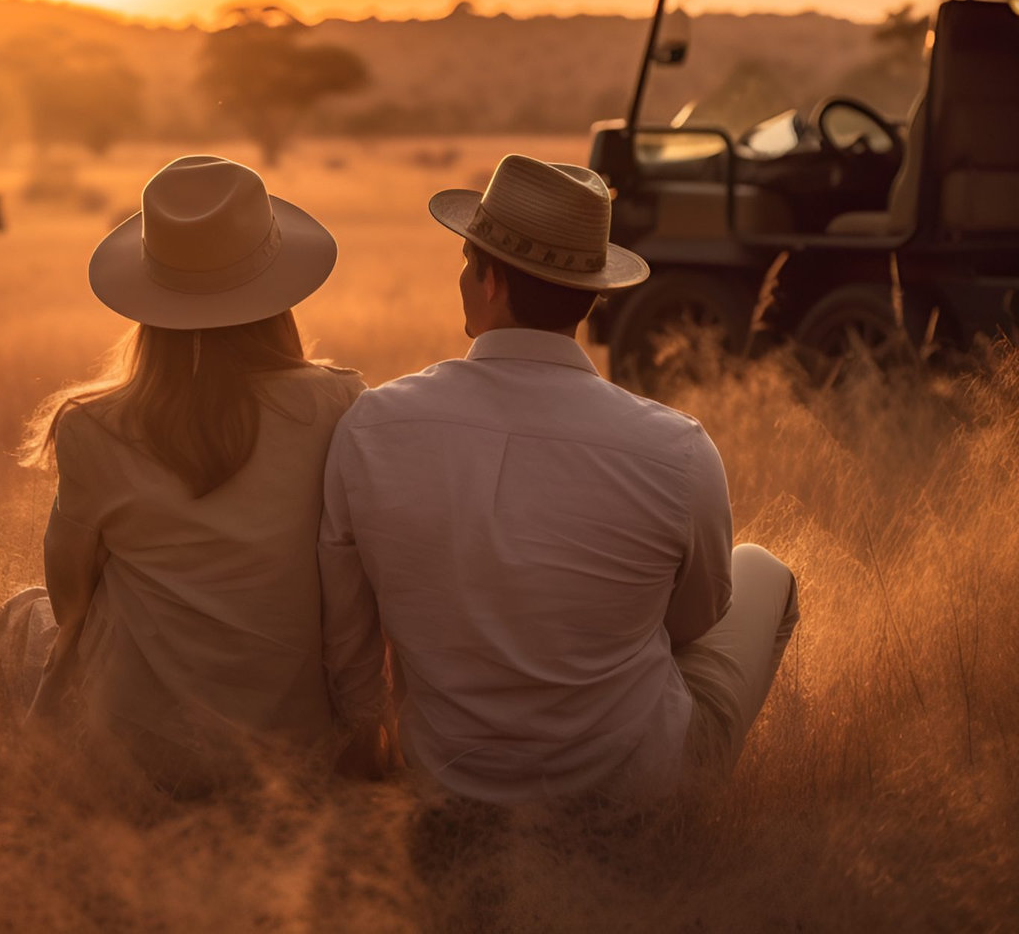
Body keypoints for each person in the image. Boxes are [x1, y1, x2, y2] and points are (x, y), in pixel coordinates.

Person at [319, 154, 800, 802]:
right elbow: (694, 623)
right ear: (594, 292)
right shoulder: (678, 449)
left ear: (490, 283)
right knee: (764, 570)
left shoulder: (372, 426)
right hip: (635, 793)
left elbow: (351, 642)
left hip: (447, 783)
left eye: (466, 262)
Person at [0, 154, 364, 794]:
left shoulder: (91, 424)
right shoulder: (339, 401)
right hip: (289, 750)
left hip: (137, 751)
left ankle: (8, 793)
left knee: (21, 616)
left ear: (149, 295)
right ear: (278, 289)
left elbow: (71, 599)